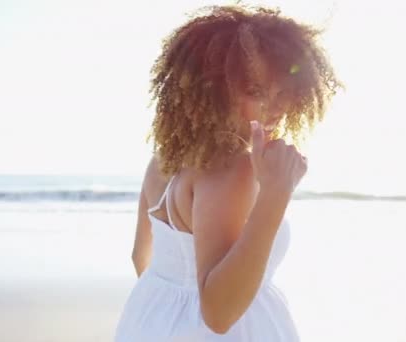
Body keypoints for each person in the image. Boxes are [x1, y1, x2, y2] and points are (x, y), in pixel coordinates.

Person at [114, 4, 339, 341]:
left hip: (149, 319)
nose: (275, 107)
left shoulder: (165, 158)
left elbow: (140, 257)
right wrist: (277, 193)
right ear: (213, 87)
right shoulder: (234, 167)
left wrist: (168, 314)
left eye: (283, 92)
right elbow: (219, 315)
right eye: (256, 92)